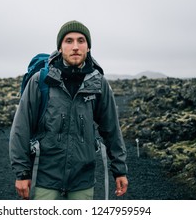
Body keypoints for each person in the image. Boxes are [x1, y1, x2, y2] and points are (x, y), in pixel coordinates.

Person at [9, 20, 128, 200]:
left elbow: (111, 129)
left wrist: (120, 170)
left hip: (82, 179)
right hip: (45, 178)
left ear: (88, 47)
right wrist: (22, 173)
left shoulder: (98, 84)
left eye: (81, 41)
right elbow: (21, 128)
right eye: (69, 41)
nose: (75, 47)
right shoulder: (40, 81)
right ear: (60, 47)